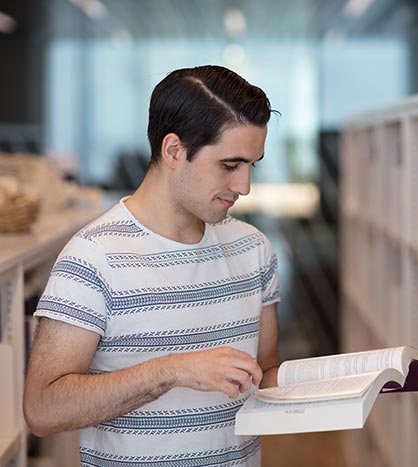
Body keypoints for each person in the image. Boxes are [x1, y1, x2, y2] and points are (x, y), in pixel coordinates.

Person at [23, 65, 281, 467]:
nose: (244, 186)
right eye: (229, 166)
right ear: (173, 150)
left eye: (252, 165)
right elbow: (43, 409)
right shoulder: (93, 256)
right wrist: (173, 371)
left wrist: (346, 382)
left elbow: (264, 374)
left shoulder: (253, 249)